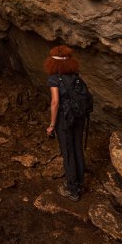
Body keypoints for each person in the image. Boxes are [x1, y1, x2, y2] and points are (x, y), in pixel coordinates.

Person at [44, 45, 87, 202]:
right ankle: (80, 183)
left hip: (64, 119)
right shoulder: (76, 75)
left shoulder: (54, 78)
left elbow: (55, 103)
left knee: (68, 153)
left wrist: (52, 125)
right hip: (79, 117)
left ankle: (72, 190)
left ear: (52, 62)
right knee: (77, 148)